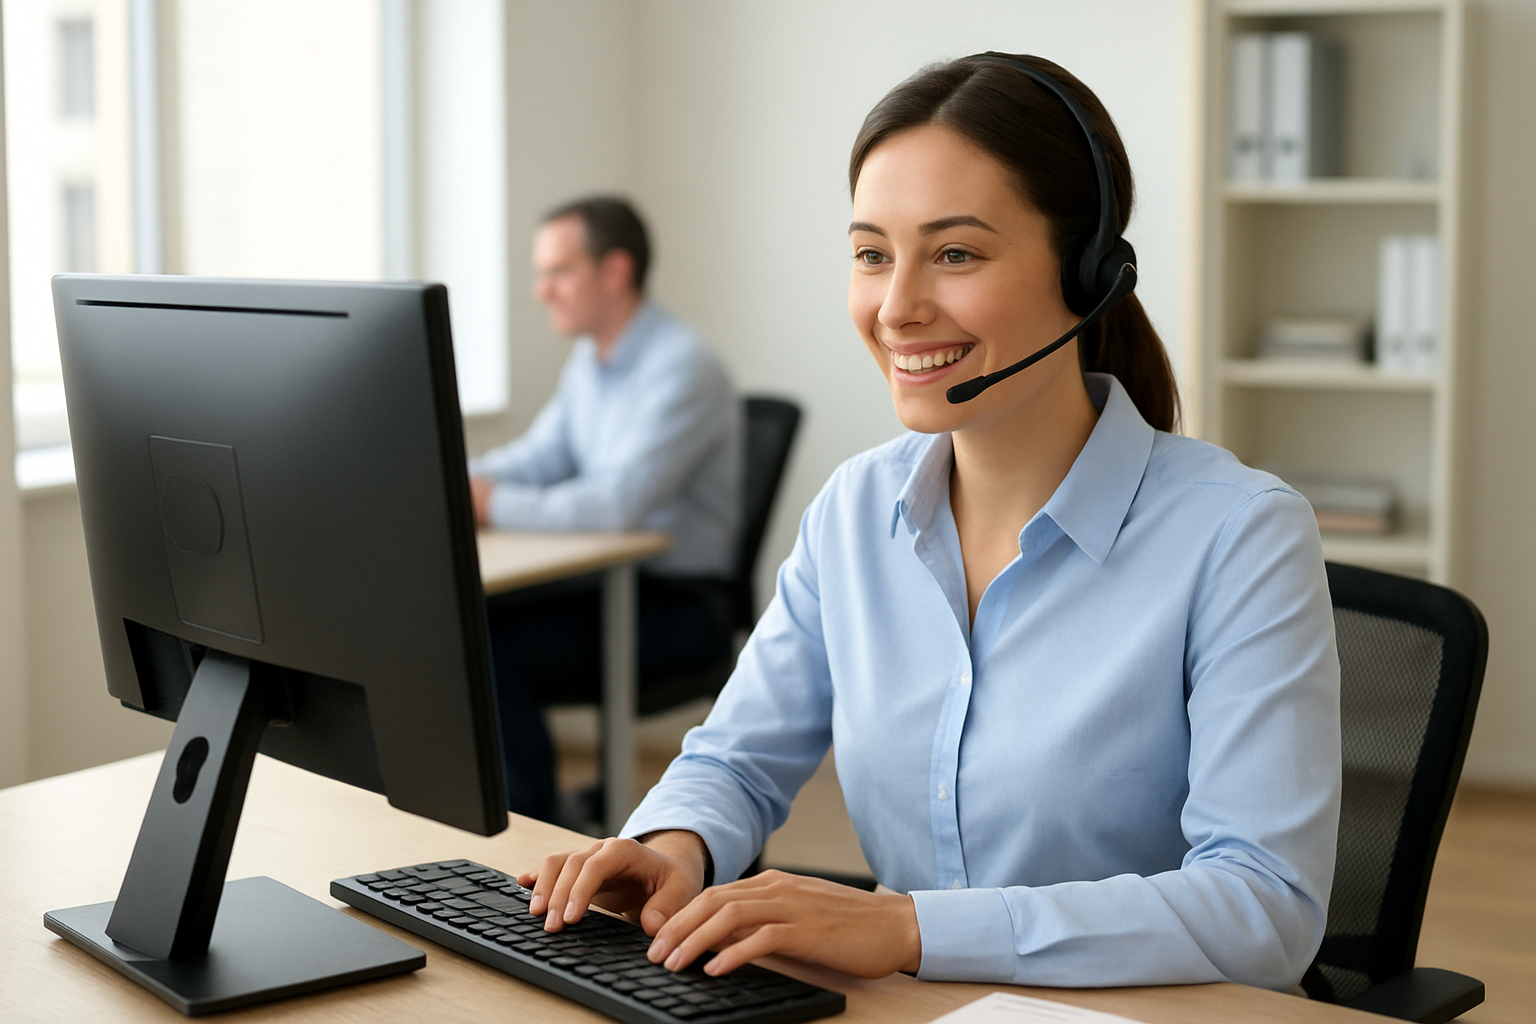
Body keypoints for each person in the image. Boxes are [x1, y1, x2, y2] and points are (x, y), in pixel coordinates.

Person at [517, 55, 1341, 990]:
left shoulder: (1241, 536)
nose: (897, 308)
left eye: (955, 253)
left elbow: (1264, 909)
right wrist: (674, 846)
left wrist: (911, 930)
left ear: (1088, 274)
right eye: (872, 254)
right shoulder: (856, 512)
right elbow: (737, 758)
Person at [469, 196, 742, 824]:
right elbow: (538, 458)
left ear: (615, 271)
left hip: (676, 605)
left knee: (481, 641)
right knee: (462, 615)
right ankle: (528, 812)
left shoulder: (683, 366)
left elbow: (619, 502)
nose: (542, 291)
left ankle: (529, 829)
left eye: (558, 271)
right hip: (610, 587)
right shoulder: (590, 363)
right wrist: (456, 479)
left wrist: (493, 503)